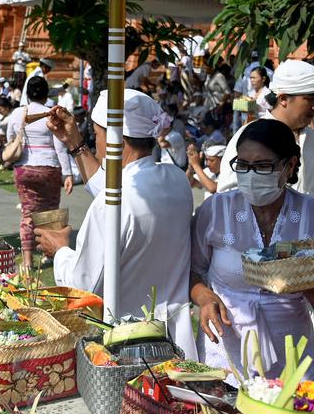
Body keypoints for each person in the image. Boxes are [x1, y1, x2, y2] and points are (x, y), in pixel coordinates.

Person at [34, 88, 197, 358]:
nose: (95, 142)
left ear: (116, 142)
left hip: (126, 341)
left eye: (96, 135)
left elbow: (84, 285)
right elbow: (117, 192)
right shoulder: (176, 181)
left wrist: (61, 250)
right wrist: (75, 143)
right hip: (174, 337)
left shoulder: (113, 204)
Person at [190, 118, 314, 381]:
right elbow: (193, 271)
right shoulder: (216, 210)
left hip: (292, 356)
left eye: (263, 166)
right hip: (226, 355)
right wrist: (204, 298)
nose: (251, 175)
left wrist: (303, 280)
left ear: (289, 166)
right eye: (243, 165)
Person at [216, 59, 314, 198]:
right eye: (310, 98)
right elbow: (228, 197)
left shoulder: (308, 136)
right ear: (284, 98)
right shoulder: (252, 136)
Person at [5, 77, 76, 258]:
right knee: (50, 214)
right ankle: (50, 254)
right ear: (46, 95)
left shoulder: (17, 114)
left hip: (25, 170)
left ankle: (28, 262)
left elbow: (10, 138)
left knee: (28, 215)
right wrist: (68, 174)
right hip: (49, 168)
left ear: (27, 94)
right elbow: (60, 147)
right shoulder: (50, 115)